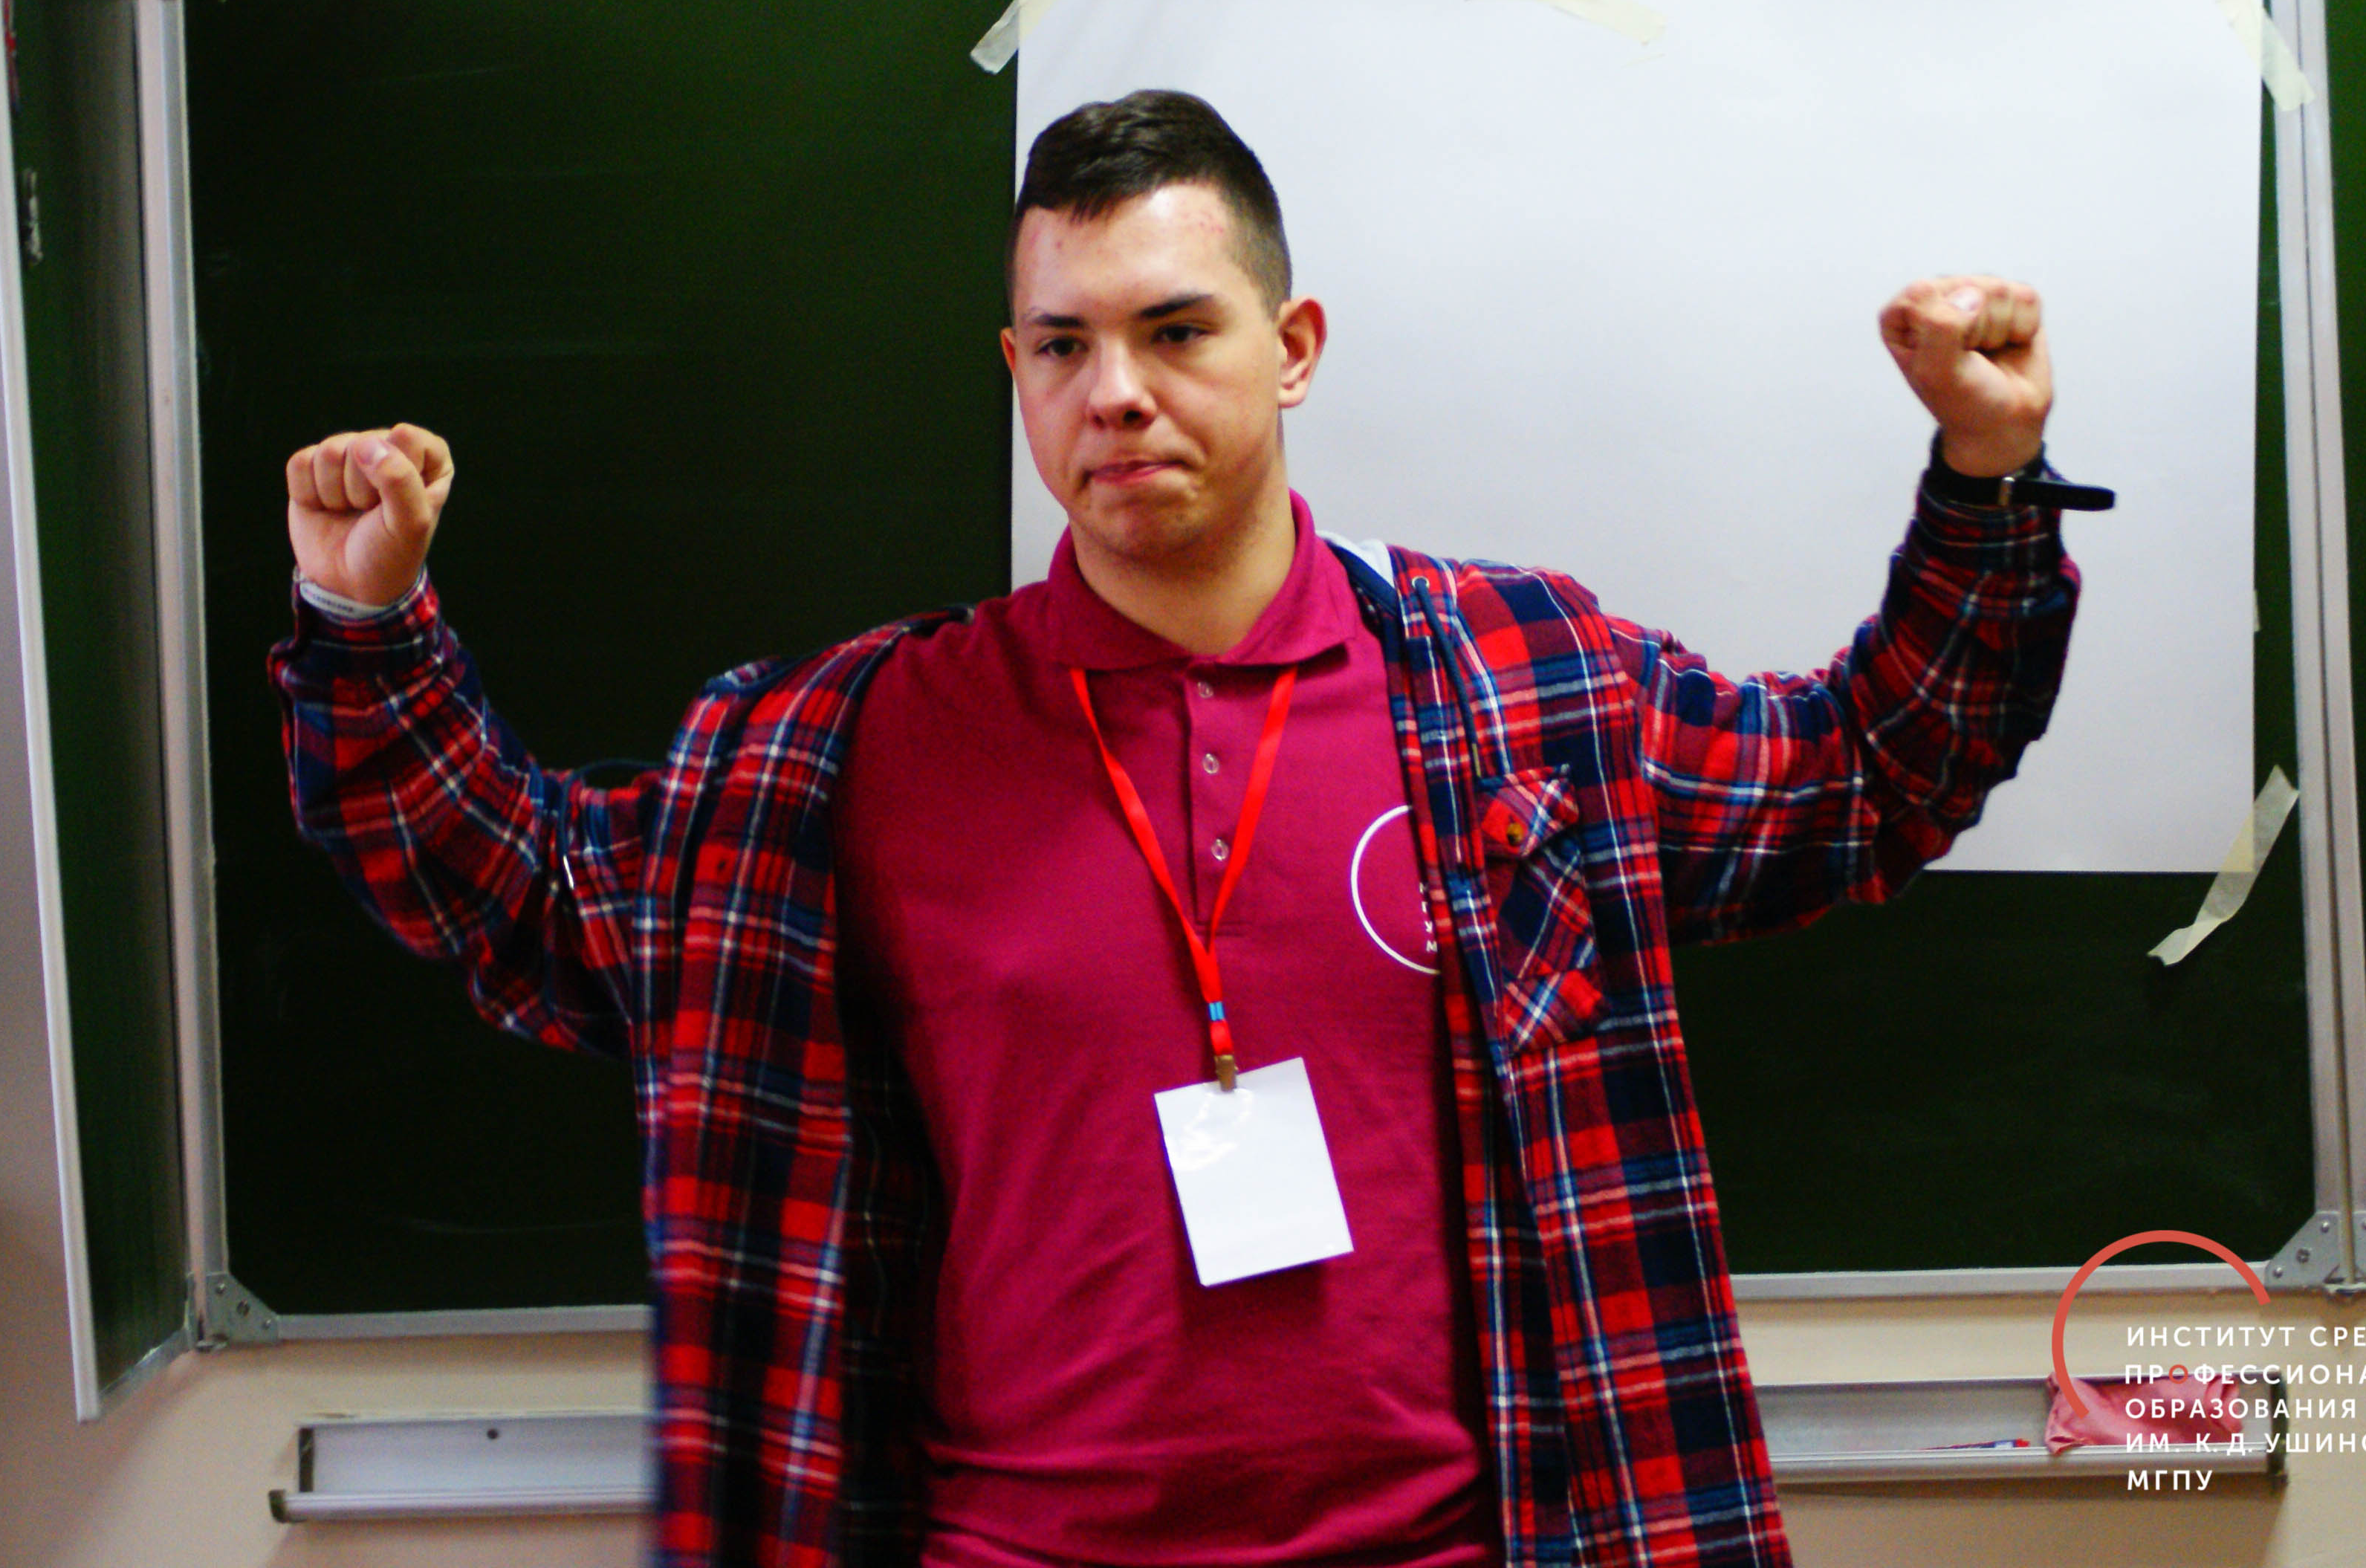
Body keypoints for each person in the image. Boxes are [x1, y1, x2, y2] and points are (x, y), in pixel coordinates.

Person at [273, 89, 2079, 1568]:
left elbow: (1866, 772)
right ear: (1014, 368)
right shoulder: (854, 746)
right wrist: (367, 622)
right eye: (1063, 344)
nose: (1115, 390)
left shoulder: (1519, 690)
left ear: (1290, 349)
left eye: (1174, 330)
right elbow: (533, 899)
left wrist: (1984, 483)